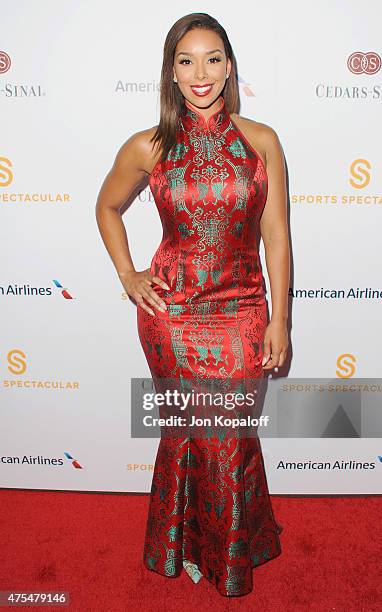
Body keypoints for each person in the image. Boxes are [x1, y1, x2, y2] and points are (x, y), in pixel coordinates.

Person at [95, 12, 290, 598]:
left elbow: (276, 234)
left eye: (211, 59)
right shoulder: (148, 146)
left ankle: (219, 548)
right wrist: (128, 274)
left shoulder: (261, 140)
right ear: (171, 73)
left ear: (229, 67)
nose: (200, 73)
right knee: (188, 428)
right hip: (172, 316)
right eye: (186, 61)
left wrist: (281, 316)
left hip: (243, 310)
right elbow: (106, 208)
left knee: (227, 435)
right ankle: (195, 547)